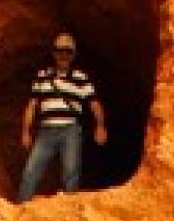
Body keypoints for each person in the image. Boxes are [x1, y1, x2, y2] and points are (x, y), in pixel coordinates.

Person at [17, 32, 107, 203]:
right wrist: (26, 132)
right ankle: (21, 207)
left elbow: (94, 104)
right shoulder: (43, 76)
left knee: (70, 173)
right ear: (54, 52)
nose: (63, 55)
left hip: (70, 130)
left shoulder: (81, 78)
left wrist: (100, 126)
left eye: (67, 51)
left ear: (73, 54)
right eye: (59, 50)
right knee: (31, 171)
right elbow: (32, 105)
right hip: (46, 131)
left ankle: (69, 211)